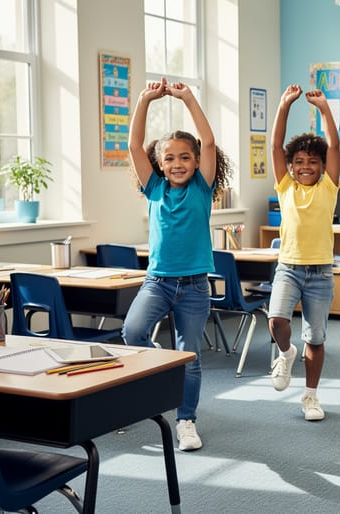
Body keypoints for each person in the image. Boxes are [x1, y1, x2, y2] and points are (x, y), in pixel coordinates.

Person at [123, 77, 232, 451]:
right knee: (132, 333)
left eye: (186, 157)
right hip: (157, 282)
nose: (178, 163)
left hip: (194, 286)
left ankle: (186, 420)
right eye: (169, 158)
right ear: (159, 163)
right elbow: (134, 144)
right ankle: (165, 367)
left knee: (191, 355)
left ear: (197, 161)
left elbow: (211, 140)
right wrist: (143, 101)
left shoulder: (203, 188)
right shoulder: (154, 188)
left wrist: (189, 99)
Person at [267, 84, 340, 421]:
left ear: (323, 166)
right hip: (289, 268)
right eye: (299, 161)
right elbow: (275, 146)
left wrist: (325, 109)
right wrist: (283, 106)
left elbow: (335, 145)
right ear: (291, 166)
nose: (305, 165)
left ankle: (310, 397)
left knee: (315, 336)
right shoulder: (285, 187)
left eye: (313, 161)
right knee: (277, 320)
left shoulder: (328, 186)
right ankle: (285, 353)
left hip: (321, 272)